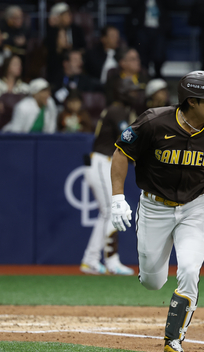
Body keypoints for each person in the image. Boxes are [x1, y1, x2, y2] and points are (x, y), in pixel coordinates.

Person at [110, 71, 204, 352]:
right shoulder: (153, 121)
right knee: (152, 281)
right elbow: (122, 153)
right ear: (192, 101)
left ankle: (173, 341)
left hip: (195, 208)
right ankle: (149, 274)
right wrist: (117, 197)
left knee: (188, 270)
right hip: (154, 207)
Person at [80, 78, 140, 275]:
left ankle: (91, 259)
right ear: (122, 93)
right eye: (131, 91)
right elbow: (127, 138)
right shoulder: (117, 110)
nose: (135, 95)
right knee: (111, 210)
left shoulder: (123, 111)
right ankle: (110, 261)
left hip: (105, 163)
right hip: (101, 161)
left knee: (107, 212)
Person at [125, 0, 171, 79]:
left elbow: (172, 5)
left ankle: (158, 75)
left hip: (158, 30)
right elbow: (131, 4)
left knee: (159, 55)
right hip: (142, 29)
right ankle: (144, 76)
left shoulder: (160, 3)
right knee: (142, 55)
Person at [45, 2, 86, 82]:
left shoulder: (76, 30)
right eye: (65, 15)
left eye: (69, 14)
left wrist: (73, 52)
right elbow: (50, 51)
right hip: (57, 64)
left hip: (74, 59)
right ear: (58, 17)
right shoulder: (52, 32)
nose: (69, 17)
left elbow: (83, 48)